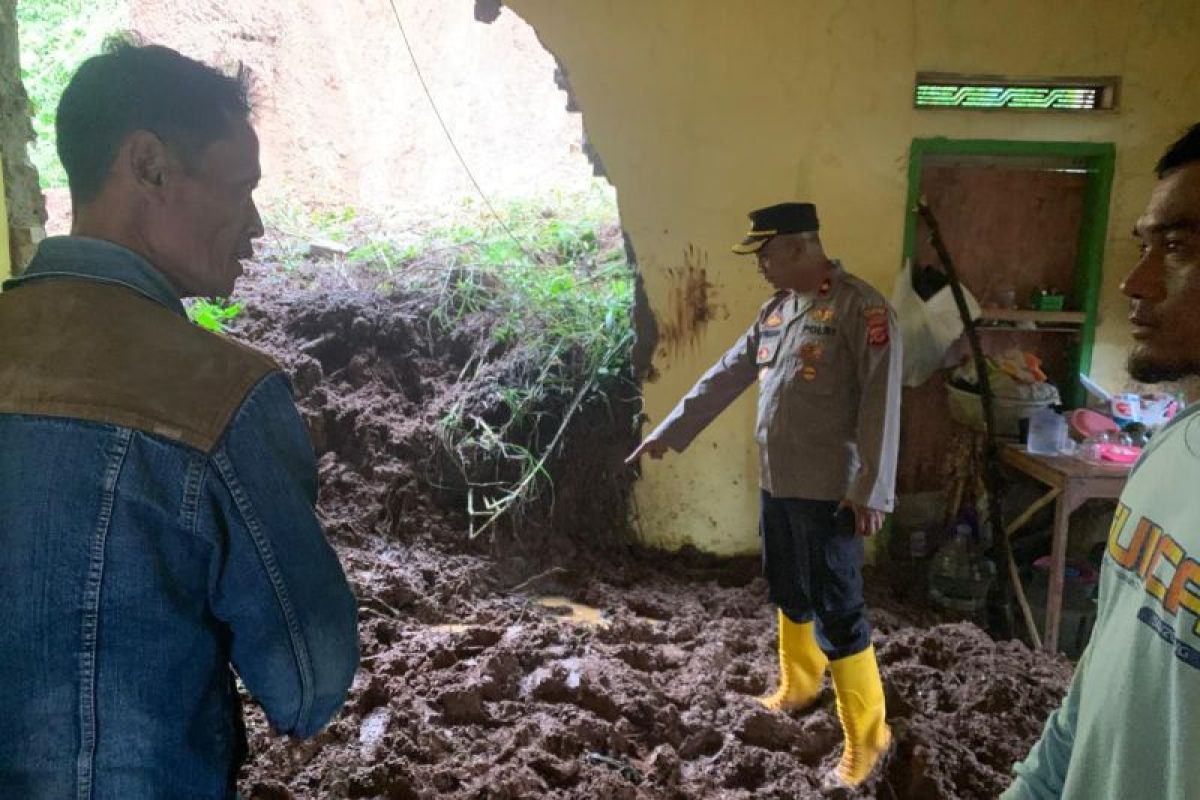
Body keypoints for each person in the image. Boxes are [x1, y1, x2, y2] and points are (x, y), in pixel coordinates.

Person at [0, 41, 359, 798]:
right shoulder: (218, 396)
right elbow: (308, 680)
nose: (255, 227)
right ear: (150, 166)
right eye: (241, 188)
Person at [626, 202, 902, 788]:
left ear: (802, 248)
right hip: (779, 482)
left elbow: (882, 404)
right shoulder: (778, 311)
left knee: (838, 606)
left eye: (768, 255)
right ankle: (799, 684)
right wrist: (670, 429)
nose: (762, 268)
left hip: (832, 490)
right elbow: (728, 372)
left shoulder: (863, 309)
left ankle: (869, 734)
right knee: (788, 586)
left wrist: (871, 489)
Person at [1003, 123, 1200, 799]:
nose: (1133, 280)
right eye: (1145, 245)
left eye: (1177, 247)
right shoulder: (1170, 451)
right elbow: (1092, 701)